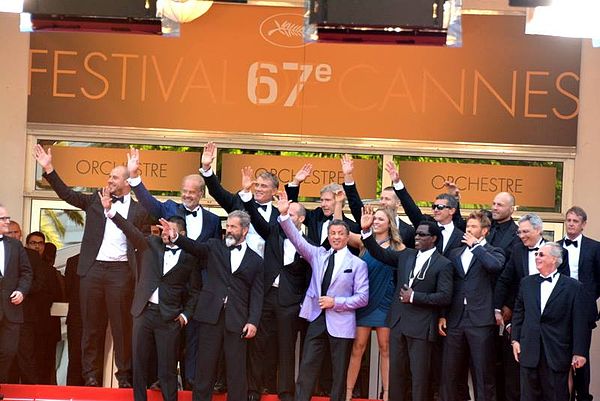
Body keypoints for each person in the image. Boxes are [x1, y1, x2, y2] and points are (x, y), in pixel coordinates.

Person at [34, 144, 148, 387]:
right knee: (91, 327)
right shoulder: (95, 200)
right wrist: (49, 169)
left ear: (127, 182)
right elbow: (68, 194)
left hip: (121, 272)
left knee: (121, 328)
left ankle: (125, 377)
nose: (109, 180)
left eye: (115, 177)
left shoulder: (139, 210)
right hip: (93, 270)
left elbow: (143, 241)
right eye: (109, 176)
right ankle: (91, 376)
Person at [126, 148, 221, 389]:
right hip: (170, 285)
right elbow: (148, 203)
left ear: (201, 194)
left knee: (193, 335)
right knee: (165, 338)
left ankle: (190, 382)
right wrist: (135, 178)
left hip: (197, 285)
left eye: (192, 192)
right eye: (185, 191)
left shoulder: (212, 220)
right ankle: (160, 380)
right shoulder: (169, 209)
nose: (187, 196)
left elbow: (213, 253)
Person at [102, 186, 201, 401]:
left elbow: (195, 292)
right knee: (139, 365)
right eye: (163, 229)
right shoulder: (151, 245)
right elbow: (130, 230)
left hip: (169, 318)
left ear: (181, 234)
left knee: (167, 370)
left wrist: (185, 316)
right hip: (144, 313)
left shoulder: (190, 257)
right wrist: (110, 211)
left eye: (170, 230)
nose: (165, 233)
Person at [161, 210, 263, 401]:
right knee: (205, 368)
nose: (229, 230)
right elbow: (195, 247)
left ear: (245, 230)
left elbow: (257, 295)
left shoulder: (256, 261)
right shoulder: (214, 246)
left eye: (233, 227)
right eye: (228, 226)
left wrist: (253, 322)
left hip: (237, 320)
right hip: (210, 317)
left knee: (236, 371)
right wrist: (175, 237)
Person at [277, 190, 369, 401]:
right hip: (317, 319)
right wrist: (284, 216)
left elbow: (363, 297)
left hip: (342, 322)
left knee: (338, 374)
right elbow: (297, 239)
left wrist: (336, 302)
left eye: (340, 233)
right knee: (307, 367)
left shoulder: (357, 264)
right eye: (332, 233)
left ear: (347, 237)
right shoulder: (318, 255)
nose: (336, 237)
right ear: (328, 236)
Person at [239, 168, 312, 401]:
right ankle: (254, 390)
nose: (286, 218)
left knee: (286, 348)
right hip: (267, 296)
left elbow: (311, 276)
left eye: (291, 215)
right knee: (258, 344)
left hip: (291, 303)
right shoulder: (273, 233)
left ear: (300, 219)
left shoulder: (309, 245)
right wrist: (249, 194)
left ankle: (286, 392)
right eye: (284, 214)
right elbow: (256, 216)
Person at [361, 216, 452, 401]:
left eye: (422, 234)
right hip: (398, 322)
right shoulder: (406, 255)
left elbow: (445, 296)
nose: (417, 237)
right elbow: (381, 254)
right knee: (396, 374)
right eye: (417, 233)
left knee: (419, 376)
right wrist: (367, 232)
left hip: (421, 326)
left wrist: (414, 297)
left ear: (433, 238)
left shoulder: (444, 264)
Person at [332, 190, 402, 401]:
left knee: (385, 348)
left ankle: (387, 393)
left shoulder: (399, 247)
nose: (376, 221)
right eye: (374, 218)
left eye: (380, 219)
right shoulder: (363, 242)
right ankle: (347, 393)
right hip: (364, 301)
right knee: (358, 347)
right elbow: (338, 230)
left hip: (385, 303)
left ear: (389, 223)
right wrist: (338, 204)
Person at [493, 213, 569, 401]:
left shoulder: (556, 252)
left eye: (526, 231)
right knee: (519, 375)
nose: (521, 235)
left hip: (552, 330)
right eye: (519, 231)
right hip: (525, 320)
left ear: (538, 230)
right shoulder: (517, 250)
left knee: (551, 381)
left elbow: (564, 288)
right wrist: (497, 308)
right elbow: (505, 279)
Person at [438, 211, 505, 401]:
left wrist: (476, 247)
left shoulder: (494, 251)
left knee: (483, 372)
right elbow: (447, 286)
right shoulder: (455, 252)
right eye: (467, 226)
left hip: (480, 319)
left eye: (473, 226)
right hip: (455, 318)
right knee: (449, 371)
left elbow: (494, 267)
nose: (468, 229)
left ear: (484, 230)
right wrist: (443, 314)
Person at [511, 242, 588, 401]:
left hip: (557, 350)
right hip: (529, 349)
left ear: (554, 259)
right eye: (537, 254)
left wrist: (579, 352)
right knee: (528, 396)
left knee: (556, 396)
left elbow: (580, 322)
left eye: (541, 254)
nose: (536, 257)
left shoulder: (573, 287)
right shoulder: (526, 283)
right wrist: (515, 340)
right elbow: (519, 313)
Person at [199, 142, 299, 257]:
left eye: (264, 186)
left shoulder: (279, 215)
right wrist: (206, 168)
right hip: (236, 264)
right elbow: (217, 191)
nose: (258, 189)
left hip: (265, 269)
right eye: (257, 185)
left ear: (274, 191)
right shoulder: (238, 202)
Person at [557, 206, 600, 401]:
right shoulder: (555, 247)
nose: (571, 224)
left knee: (581, 355)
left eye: (575, 221)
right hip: (560, 311)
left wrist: (588, 299)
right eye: (568, 220)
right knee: (560, 355)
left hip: (584, 310)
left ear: (583, 224)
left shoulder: (595, 247)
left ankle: (583, 396)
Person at [384, 160, 464, 257]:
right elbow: (411, 209)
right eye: (434, 206)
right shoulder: (426, 224)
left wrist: (455, 198)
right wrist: (397, 183)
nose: (436, 210)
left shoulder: (460, 230)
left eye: (440, 207)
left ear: (451, 210)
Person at [340, 153, 415, 248]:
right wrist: (348, 175)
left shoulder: (409, 231)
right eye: (381, 198)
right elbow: (355, 203)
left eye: (387, 199)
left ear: (398, 203)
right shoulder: (370, 220)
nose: (382, 202)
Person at [6, 222, 46, 385]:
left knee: (26, 357)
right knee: (6, 356)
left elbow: (39, 283)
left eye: (16, 232)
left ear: (21, 234)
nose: (13, 235)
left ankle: (31, 393)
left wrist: (21, 291)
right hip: (4, 316)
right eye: (9, 233)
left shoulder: (32, 255)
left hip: (25, 315)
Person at [0, 204, 33, 383]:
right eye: (3, 219)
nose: (8, 221)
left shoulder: (15, 245)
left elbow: (27, 272)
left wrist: (21, 290)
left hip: (11, 311)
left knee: (8, 352)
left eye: (7, 217)